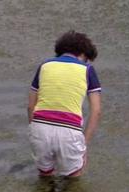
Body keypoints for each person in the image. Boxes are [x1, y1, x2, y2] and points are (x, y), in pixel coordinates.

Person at [27, 30, 102, 177]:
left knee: (45, 176)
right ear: (83, 54)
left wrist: (33, 130)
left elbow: (31, 106)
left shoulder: (44, 66)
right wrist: (84, 144)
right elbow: (96, 110)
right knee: (73, 177)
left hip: (40, 127)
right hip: (69, 131)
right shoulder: (87, 70)